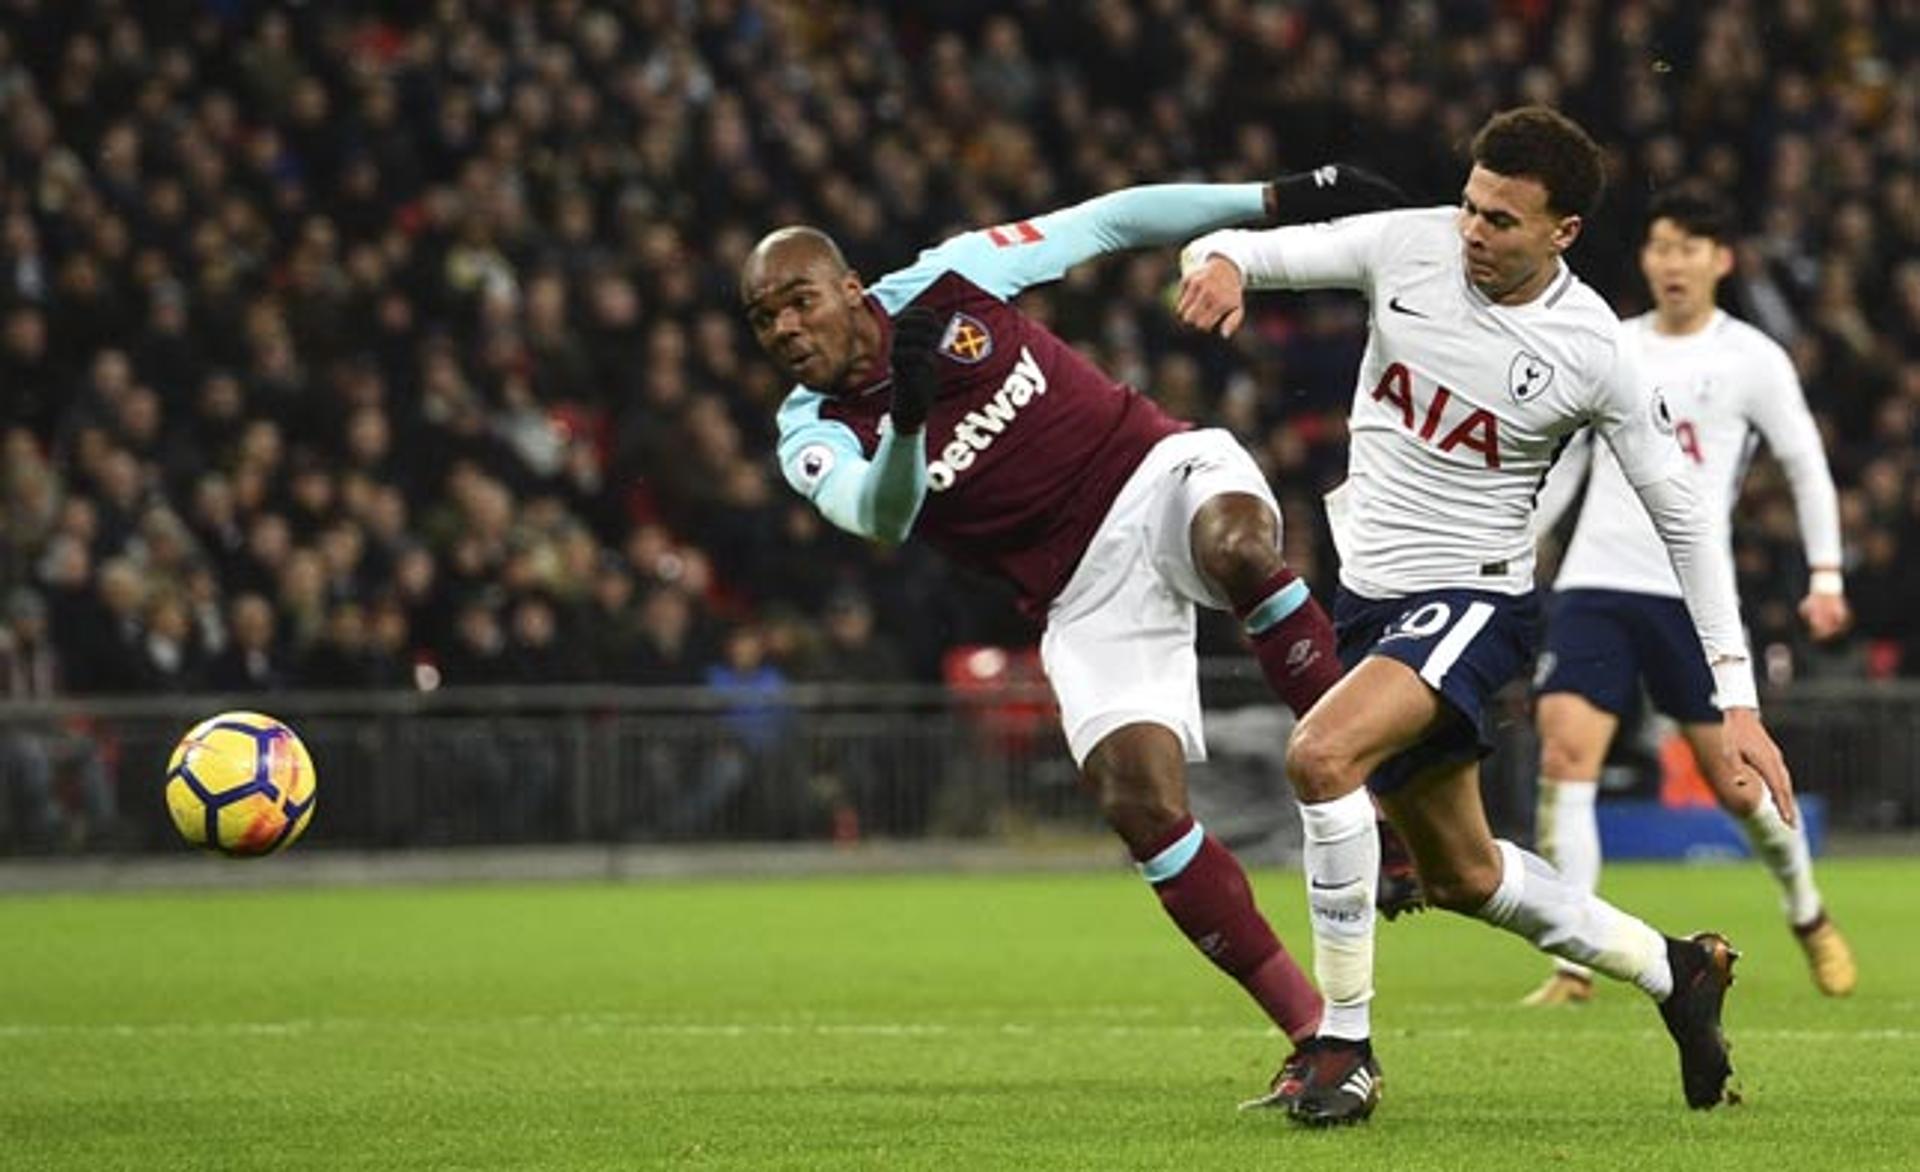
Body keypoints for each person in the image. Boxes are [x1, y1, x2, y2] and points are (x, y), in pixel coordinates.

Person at [1176, 106, 1794, 1123]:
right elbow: (1241, 249)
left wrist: (1736, 696)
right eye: (1470, 205)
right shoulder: (1409, 243)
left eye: (1502, 220)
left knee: (1321, 756)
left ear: (1563, 231)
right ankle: (1676, 968)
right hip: (1368, 601)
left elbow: (1683, 514)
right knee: (1465, 873)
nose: (1472, 231)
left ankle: (1341, 1045)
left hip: (1474, 598)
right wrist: (1224, 265)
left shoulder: (1593, 348)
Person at [742, 167, 1405, 1089]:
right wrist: (907, 420)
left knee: (1243, 546)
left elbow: (1111, 220)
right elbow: (880, 516)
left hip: (1155, 472)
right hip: (1079, 592)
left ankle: (1383, 793)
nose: (784, 330)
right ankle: (1318, 1038)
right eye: (764, 320)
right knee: (1139, 804)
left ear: (850, 289)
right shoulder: (810, 426)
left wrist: (1276, 197)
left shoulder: (951, 279)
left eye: (798, 302)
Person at [1522, 184, 1855, 1006]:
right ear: (1645, 258)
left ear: (1721, 261)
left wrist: (1825, 576)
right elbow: (1567, 461)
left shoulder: (1752, 359)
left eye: (1689, 249)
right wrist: (1517, 546)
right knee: (1565, 755)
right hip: (1595, 581)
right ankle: (1574, 965)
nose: (1672, 263)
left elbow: (1806, 464)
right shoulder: (1613, 344)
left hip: (1686, 592)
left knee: (1736, 785)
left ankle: (1807, 911)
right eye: (1661, 247)